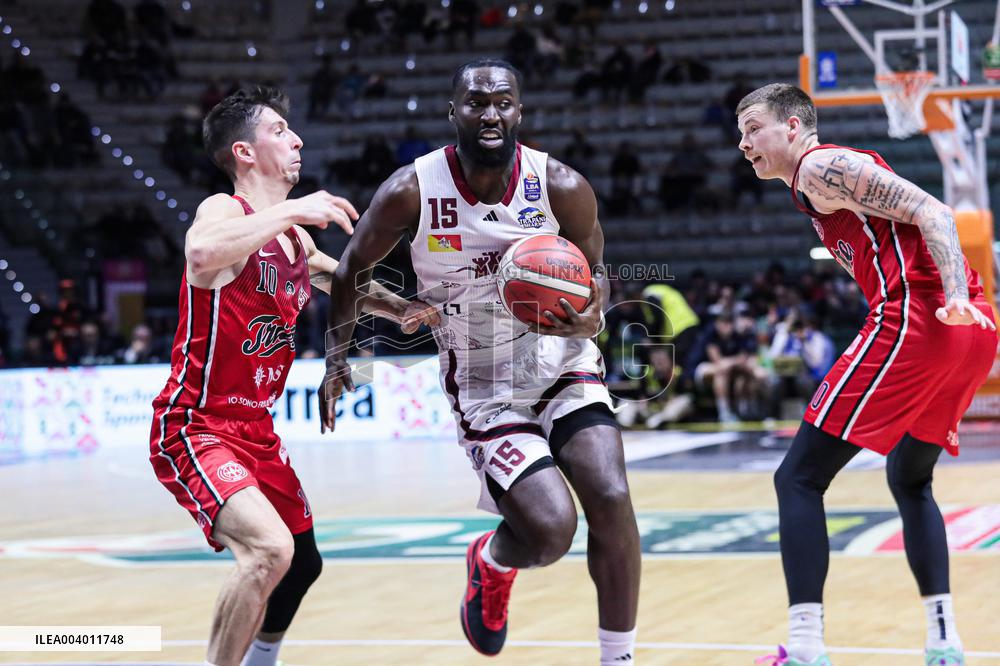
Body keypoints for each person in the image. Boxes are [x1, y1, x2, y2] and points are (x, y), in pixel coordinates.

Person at [320, 59, 641, 665]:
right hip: (483, 381)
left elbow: (598, 272)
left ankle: (617, 658)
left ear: (519, 111)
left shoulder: (562, 186)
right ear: (453, 112)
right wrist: (338, 361)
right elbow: (347, 273)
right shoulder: (411, 190)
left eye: (503, 103)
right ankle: (491, 562)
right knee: (550, 532)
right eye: (476, 102)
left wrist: (592, 314)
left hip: (562, 362)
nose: (490, 113)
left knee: (610, 493)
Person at [148, 86, 436, 666]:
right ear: (244, 152)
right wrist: (296, 208)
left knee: (303, 562)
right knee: (268, 551)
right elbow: (202, 255)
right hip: (195, 425)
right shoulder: (224, 212)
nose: (297, 138)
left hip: (256, 430)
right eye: (279, 130)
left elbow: (343, 281)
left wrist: (405, 309)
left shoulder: (293, 239)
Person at [736, 83, 997, 666]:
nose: (743, 141)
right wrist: (961, 305)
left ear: (795, 128)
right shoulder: (815, 190)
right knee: (909, 478)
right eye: (741, 131)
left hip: (925, 318)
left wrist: (953, 294)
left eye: (754, 127)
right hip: (970, 334)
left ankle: (804, 649)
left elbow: (935, 210)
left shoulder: (820, 166)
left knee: (798, 478)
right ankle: (945, 643)